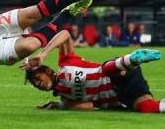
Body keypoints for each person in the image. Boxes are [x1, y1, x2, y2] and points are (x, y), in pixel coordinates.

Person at [24, 30, 164, 113]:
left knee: (106, 69)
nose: (38, 84)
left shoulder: (66, 63)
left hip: (118, 70)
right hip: (123, 93)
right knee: (145, 108)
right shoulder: (66, 99)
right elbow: (89, 106)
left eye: (37, 78)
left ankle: (133, 59)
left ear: (48, 71)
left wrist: (43, 54)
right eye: (35, 84)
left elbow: (65, 34)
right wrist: (59, 105)